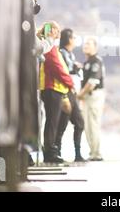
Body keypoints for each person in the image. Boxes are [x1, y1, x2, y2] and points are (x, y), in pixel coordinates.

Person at [39, 21, 74, 163]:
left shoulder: (52, 47)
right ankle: (50, 152)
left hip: (54, 88)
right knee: (52, 121)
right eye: (56, 30)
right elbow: (57, 68)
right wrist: (70, 83)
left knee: (53, 121)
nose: (58, 33)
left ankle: (52, 149)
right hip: (52, 88)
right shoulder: (49, 47)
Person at [54, 28, 86, 162]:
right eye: (73, 38)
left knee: (79, 123)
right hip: (65, 91)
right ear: (68, 39)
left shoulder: (70, 53)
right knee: (62, 123)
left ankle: (77, 154)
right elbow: (67, 68)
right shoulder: (61, 52)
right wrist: (76, 67)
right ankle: (57, 152)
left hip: (72, 91)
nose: (74, 41)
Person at [77, 37, 105, 161]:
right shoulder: (87, 62)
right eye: (85, 44)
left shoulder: (96, 61)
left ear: (95, 47)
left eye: (88, 44)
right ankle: (92, 152)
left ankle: (96, 153)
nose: (85, 46)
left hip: (94, 95)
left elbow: (92, 82)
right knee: (87, 125)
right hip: (87, 97)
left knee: (93, 124)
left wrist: (80, 94)